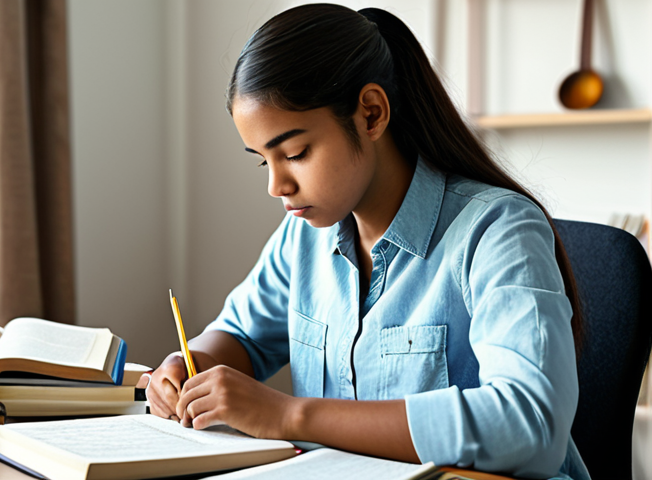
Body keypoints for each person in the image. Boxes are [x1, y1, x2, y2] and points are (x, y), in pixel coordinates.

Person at [142, 4, 590, 479]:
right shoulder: (303, 236)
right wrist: (188, 367)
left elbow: (530, 427)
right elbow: (241, 335)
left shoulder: (498, 231)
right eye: (262, 160)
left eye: (295, 153)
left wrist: (289, 416)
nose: (276, 186)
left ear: (371, 114)